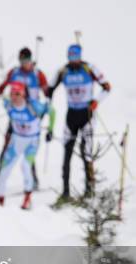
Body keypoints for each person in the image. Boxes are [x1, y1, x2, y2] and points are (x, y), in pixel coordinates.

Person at [48, 44, 111, 204]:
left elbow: (107, 87)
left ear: (80, 55)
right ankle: (65, 192)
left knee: (86, 153)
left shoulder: (89, 68)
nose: (72, 60)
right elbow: (49, 89)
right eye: (70, 56)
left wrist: (96, 101)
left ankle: (89, 191)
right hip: (71, 115)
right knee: (67, 152)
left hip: (87, 114)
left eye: (75, 56)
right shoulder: (63, 71)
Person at [0, 47, 50, 191]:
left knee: (28, 149)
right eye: (21, 60)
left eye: (26, 60)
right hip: (16, 115)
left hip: (31, 116)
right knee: (6, 146)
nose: (24, 63)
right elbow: (2, 87)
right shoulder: (14, 72)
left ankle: (33, 180)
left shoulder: (38, 74)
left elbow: (47, 92)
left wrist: (44, 107)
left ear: (31, 60)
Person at [0, 82, 50, 209]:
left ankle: (27, 198)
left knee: (25, 166)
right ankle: (0, 200)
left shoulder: (33, 106)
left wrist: (50, 130)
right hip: (16, 141)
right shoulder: (8, 105)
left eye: (17, 94)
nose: (14, 97)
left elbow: (51, 111)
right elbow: (2, 97)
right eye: (12, 94)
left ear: (23, 94)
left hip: (32, 142)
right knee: (4, 170)